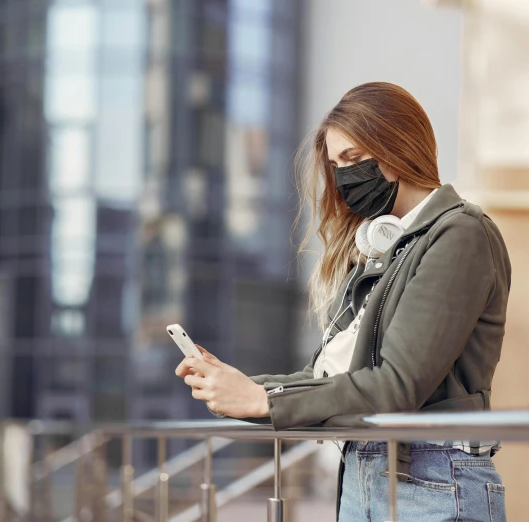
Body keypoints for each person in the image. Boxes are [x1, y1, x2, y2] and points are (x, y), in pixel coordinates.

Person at [174, 81, 511, 521]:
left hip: (433, 479)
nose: (344, 178)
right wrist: (245, 388)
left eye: (353, 159)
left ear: (398, 146)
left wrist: (265, 402)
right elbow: (331, 379)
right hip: (365, 472)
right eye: (336, 166)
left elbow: (395, 387)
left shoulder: (460, 234)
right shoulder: (386, 248)